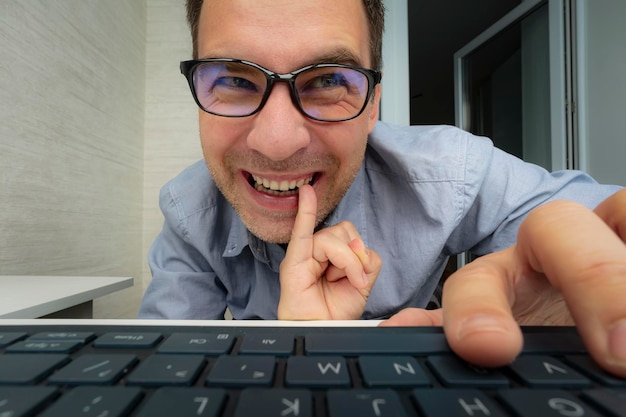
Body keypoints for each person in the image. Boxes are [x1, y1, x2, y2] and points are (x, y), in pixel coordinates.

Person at [139, 0, 626, 377]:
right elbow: (164, 373)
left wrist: (583, 301)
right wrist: (295, 354)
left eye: (328, 79)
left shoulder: (448, 173)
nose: (277, 143)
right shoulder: (189, 212)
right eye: (233, 79)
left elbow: (605, 224)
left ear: (373, 102)